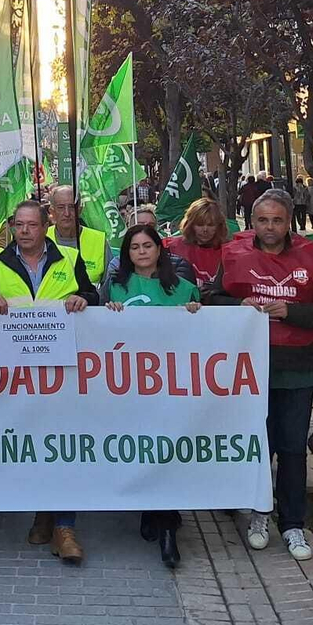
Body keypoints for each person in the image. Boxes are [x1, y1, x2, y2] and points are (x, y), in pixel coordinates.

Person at [202, 191, 313, 563]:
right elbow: (211, 299)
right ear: (252, 221)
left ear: (289, 221)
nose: (269, 228)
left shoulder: (310, 256)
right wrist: (238, 305)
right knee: (258, 447)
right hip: (248, 369)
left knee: (293, 448)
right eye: (262, 220)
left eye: (277, 220)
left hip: (297, 367)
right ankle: (259, 513)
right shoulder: (233, 253)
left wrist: (292, 312)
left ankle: (293, 522)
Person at [0, 200, 98, 564]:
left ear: (45, 226)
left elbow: (92, 295)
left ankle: (65, 527)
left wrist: (83, 299)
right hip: (17, 377)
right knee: (31, 446)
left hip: (62, 371)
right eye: (19, 225)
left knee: (61, 444)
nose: (25, 231)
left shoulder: (68, 258)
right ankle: (43, 512)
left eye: (32, 225)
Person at [103, 223, 202, 569]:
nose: (142, 252)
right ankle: (150, 508)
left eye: (147, 245)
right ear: (126, 254)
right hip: (131, 387)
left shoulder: (184, 288)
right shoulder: (115, 287)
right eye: (134, 247)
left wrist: (194, 312)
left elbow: (205, 335)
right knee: (145, 449)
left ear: (160, 250)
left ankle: (168, 526)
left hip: (172, 388)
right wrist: (108, 313)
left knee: (168, 452)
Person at [46, 184, 109, 286]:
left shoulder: (99, 241)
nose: (67, 213)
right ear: (52, 211)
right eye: (61, 207)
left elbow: (109, 285)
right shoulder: (41, 239)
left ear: (80, 210)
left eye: (72, 207)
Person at [165, 197, 229, 286]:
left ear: (219, 226)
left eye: (211, 225)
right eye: (200, 224)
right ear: (190, 224)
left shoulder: (229, 251)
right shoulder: (172, 247)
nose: (205, 230)